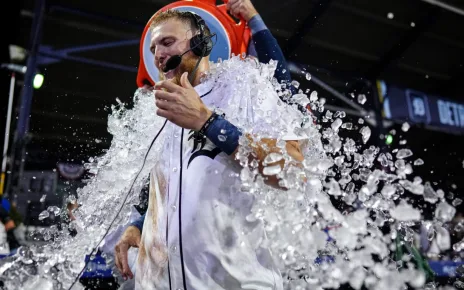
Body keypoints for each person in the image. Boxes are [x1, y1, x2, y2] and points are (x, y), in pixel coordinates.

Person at [114, 2, 308, 289]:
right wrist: (140, 226)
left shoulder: (246, 86)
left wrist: (206, 121)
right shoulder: (157, 113)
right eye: (154, 48)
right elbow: (175, 190)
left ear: (201, 43)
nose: (158, 55)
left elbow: (292, 171)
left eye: (167, 42)